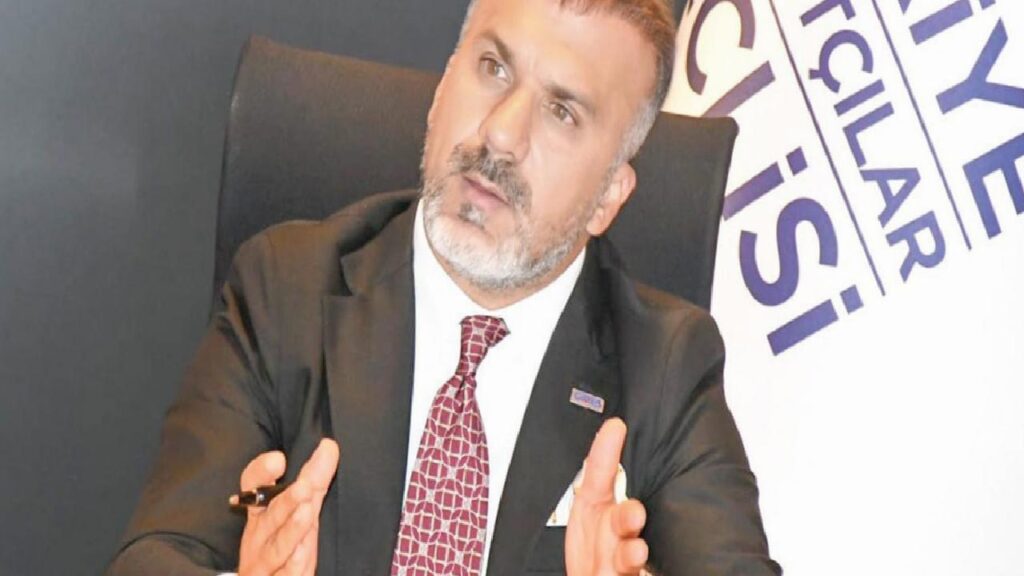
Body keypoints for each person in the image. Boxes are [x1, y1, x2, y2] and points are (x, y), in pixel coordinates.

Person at [109, 0, 781, 574]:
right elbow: (156, 556)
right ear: (440, 92)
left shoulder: (664, 368)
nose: (501, 132)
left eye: (561, 111)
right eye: (493, 68)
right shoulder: (287, 291)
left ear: (609, 196)